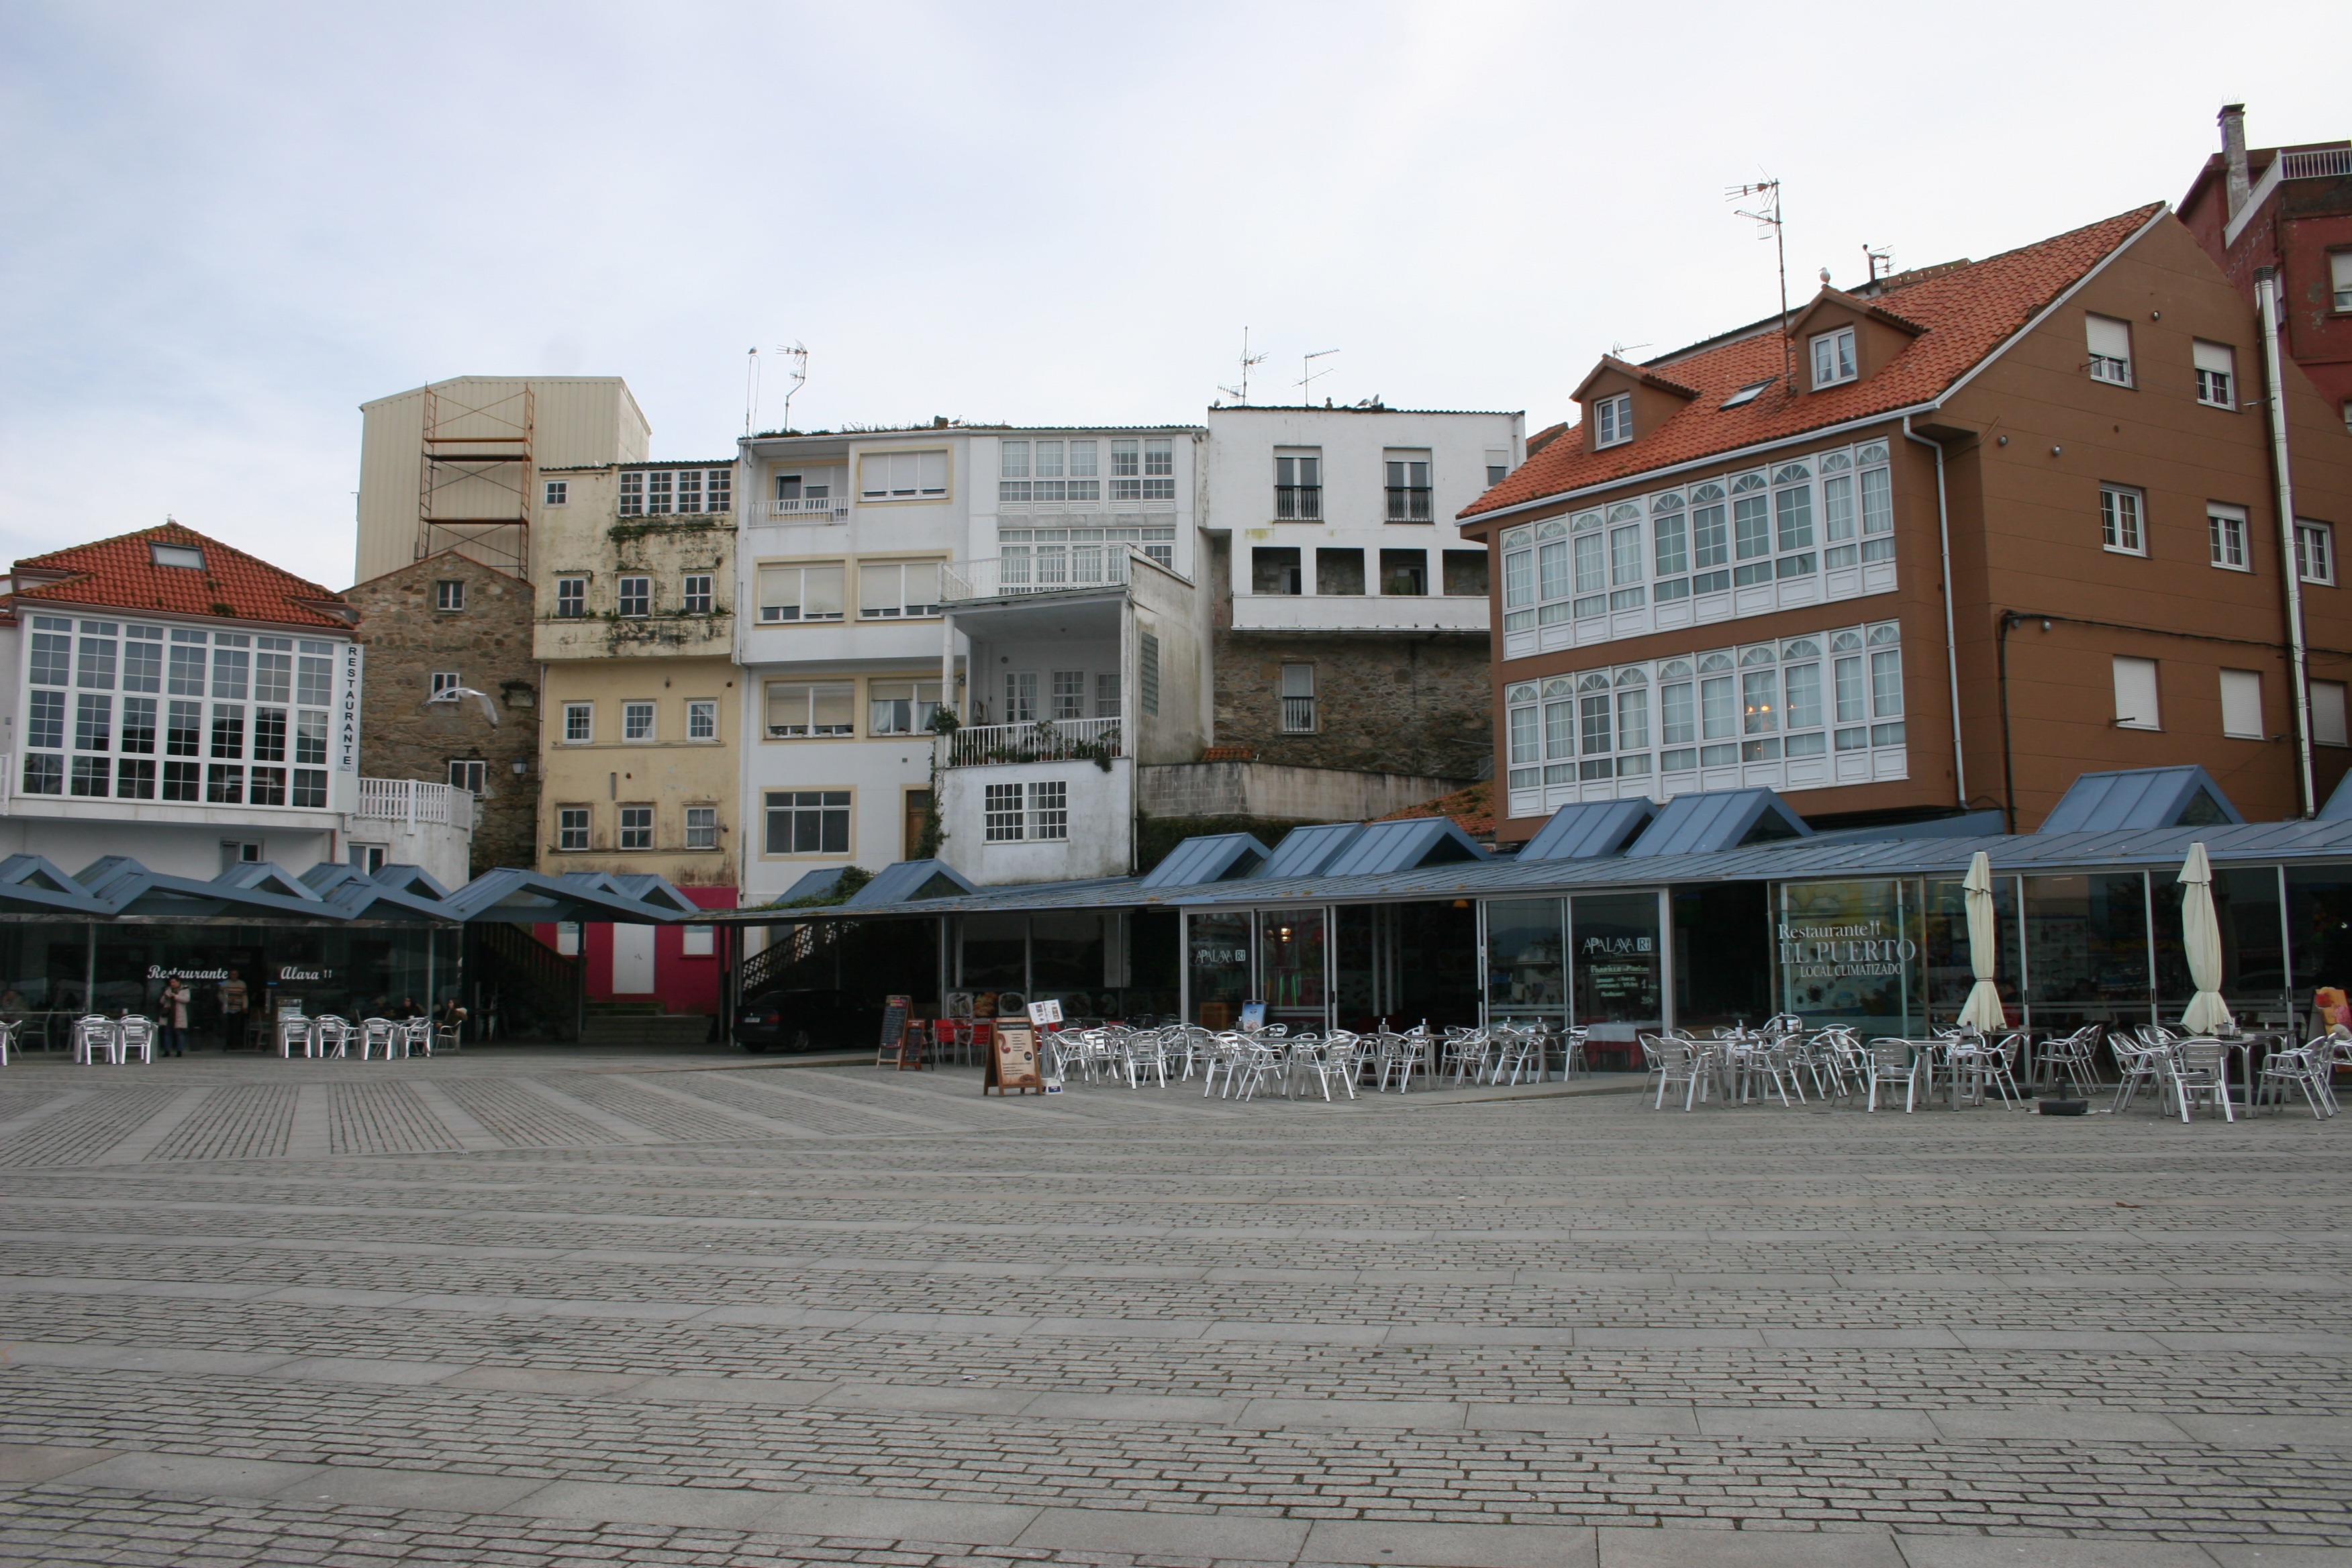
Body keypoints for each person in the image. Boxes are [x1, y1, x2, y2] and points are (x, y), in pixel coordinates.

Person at [159, 977, 189, 1057]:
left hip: (178, 1014)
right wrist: (166, 997)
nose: (172, 984)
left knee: (179, 1033)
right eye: (171, 982)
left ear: (178, 982)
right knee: (167, 1033)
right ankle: (167, 1050)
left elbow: (186, 999)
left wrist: (175, 997)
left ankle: (179, 1050)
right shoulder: (168, 989)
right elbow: (162, 1002)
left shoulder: (185, 989)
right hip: (169, 1014)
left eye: (174, 982)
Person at [218, 973, 248, 1052]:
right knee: (227, 1027)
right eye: (232, 974)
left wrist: (245, 1006)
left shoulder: (242, 984)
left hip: (237, 1008)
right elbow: (220, 994)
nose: (234, 976)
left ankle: (234, 1044)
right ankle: (226, 1044)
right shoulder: (225, 983)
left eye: (235, 974)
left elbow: (244, 996)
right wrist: (227, 1000)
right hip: (227, 1008)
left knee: (236, 1027)